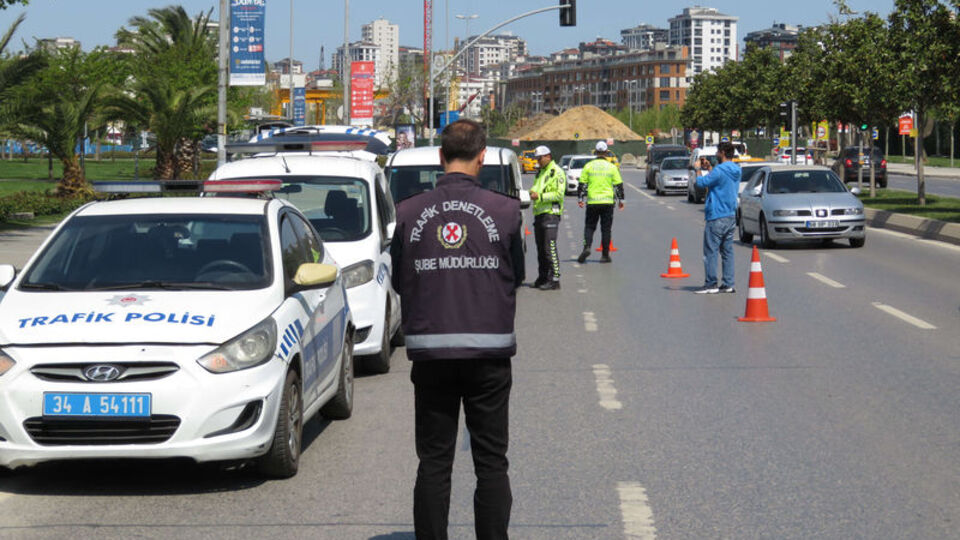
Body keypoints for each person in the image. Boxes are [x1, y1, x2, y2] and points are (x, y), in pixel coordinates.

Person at [390, 119, 524, 540]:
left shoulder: (408, 211)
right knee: (491, 462)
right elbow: (517, 275)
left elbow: (399, 279)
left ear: (440, 156)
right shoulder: (505, 211)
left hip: (431, 355)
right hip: (489, 355)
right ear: (482, 157)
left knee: (434, 461)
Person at [692, 141, 740, 294]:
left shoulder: (719, 170)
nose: (716, 155)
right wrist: (710, 168)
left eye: (718, 152)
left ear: (723, 153)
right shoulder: (736, 170)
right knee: (727, 251)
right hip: (730, 215)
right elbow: (720, 181)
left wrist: (698, 169)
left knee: (711, 251)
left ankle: (711, 284)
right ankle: (728, 283)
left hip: (716, 215)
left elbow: (701, 183)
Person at [576, 141, 625, 264]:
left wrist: (580, 199)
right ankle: (605, 255)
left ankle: (587, 247)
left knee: (589, 227)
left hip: (592, 202)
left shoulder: (588, 166)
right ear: (607, 152)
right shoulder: (612, 167)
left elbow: (582, 184)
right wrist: (621, 200)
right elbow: (618, 185)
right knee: (606, 229)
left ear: (596, 152)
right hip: (607, 202)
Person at [529, 145, 565, 290]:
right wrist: (531, 193)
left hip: (551, 214)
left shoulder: (557, 172)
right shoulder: (541, 172)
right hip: (539, 214)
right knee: (540, 250)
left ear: (548, 156)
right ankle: (542, 277)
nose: (538, 161)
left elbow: (559, 194)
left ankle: (555, 279)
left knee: (549, 248)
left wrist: (540, 196)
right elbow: (536, 188)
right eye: (536, 159)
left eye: (540, 158)